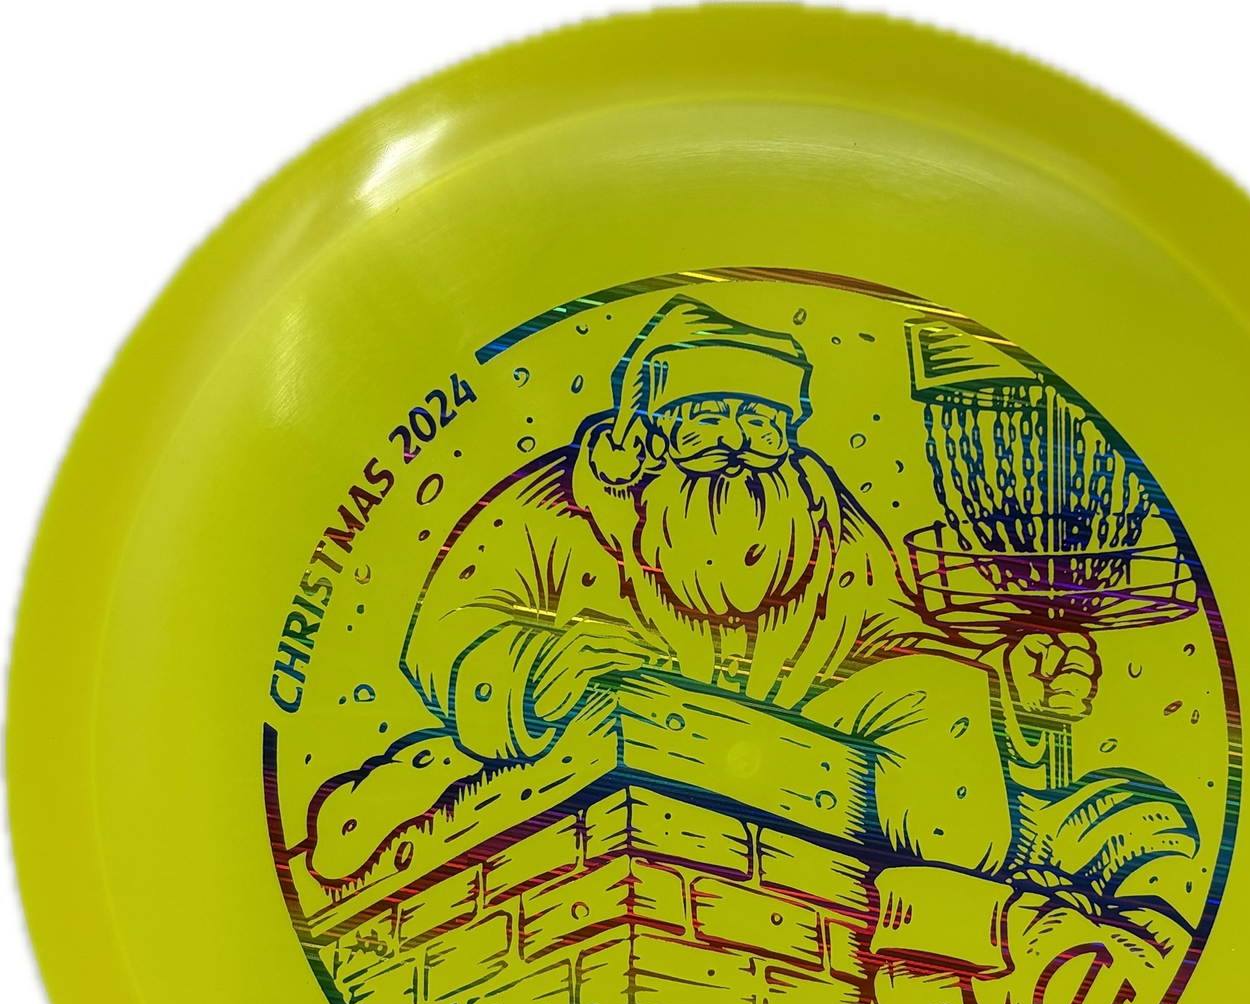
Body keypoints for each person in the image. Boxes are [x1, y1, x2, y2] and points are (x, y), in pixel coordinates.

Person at [400, 294, 1104, 876]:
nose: (737, 446)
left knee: (941, 694)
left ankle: (937, 926)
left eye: (761, 425)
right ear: (652, 432)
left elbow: (893, 636)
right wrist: (540, 667)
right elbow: (447, 631)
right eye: (708, 421)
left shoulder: (818, 511)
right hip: (624, 745)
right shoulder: (559, 503)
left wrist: (1005, 684)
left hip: (800, 744)